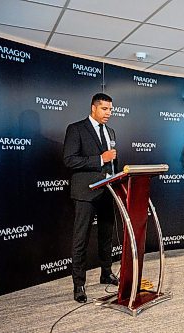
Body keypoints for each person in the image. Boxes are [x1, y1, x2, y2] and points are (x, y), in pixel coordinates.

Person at [63, 93, 119, 303]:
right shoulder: (76, 129)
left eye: (111, 109)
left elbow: (112, 162)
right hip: (85, 193)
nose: (109, 113)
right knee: (81, 239)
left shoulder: (111, 131)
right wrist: (99, 159)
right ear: (94, 108)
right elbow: (69, 160)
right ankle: (79, 284)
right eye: (105, 109)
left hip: (107, 191)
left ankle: (106, 272)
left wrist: (115, 176)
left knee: (106, 235)